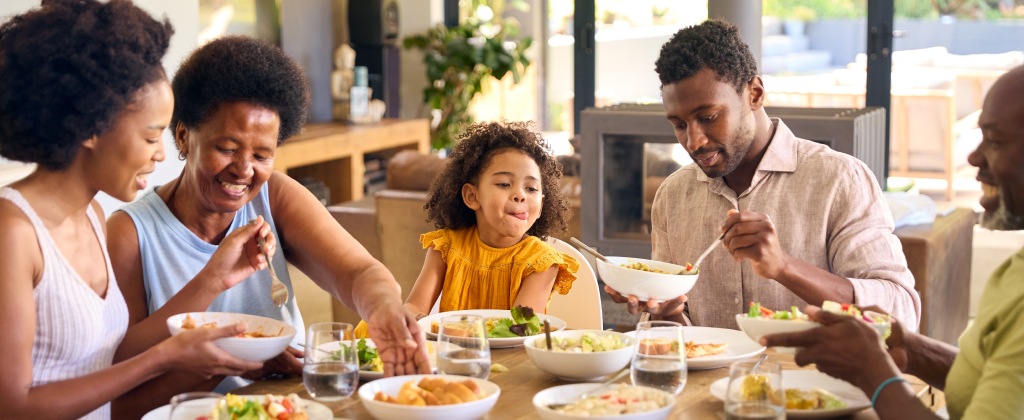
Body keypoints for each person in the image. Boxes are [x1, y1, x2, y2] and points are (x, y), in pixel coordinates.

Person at [106, 36, 430, 416]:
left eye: (262, 154)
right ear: (183, 136)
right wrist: (232, 359)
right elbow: (121, 398)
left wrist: (384, 307)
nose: (244, 170)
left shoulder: (273, 197)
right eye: (227, 148)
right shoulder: (129, 232)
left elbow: (357, 271)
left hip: (288, 406)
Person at [0, 1, 267, 418]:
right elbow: (13, 406)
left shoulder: (91, 218)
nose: (162, 154)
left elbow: (106, 357)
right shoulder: (13, 234)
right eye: (150, 137)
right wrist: (164, 359)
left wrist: (215, 277)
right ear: (92, 126)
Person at [605, 19, 921, 329]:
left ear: (754, 93)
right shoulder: (673, 195)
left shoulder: (839, 180)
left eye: (709, 117)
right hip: (708, 383)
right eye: (679, 125)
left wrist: (784, 267)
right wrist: (665, 313)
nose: (694, 141)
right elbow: (678, 339)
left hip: (814, 381)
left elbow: (901, 313)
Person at [765, 65, 1024, 420]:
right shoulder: (1016, 267)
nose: (974, 158)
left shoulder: (841, 176)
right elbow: (994, 381)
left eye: (994, 141)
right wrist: (913, 350)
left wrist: (874, 373)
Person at [354, 121, 579, 337]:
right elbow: (414, 306)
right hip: (452, 353)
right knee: (368, 326)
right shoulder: (447, 247)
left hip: (512, 362)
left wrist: (453, 331)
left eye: (531, 188)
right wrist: (417, 321)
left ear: (541, 205)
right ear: (472, 196)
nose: (520, 195)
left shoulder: (542, 262)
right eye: (504, 184)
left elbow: (519, 329)